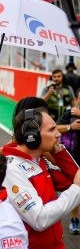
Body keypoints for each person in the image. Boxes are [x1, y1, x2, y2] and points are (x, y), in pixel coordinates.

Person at [2, 108, 80, 249]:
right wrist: (77, 189)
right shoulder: (12, 168)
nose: (58, 133)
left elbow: (72, 178)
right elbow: (40, 218)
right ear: (32, 137)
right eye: (52, 129)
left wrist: (58, 151)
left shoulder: (39, 160)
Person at [56, 93, 80, 234]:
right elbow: (56, 128)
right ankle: (74, 219)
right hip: (73, 156)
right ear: (77, 98)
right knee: (76, 187)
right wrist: (70, 127)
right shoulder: (69, 113)